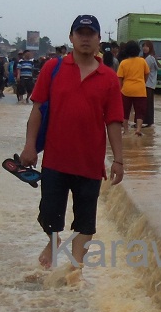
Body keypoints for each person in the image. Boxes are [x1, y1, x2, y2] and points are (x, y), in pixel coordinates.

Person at [19, 14, 124, 269]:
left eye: (91, 34)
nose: (85, 38)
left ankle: (75, 269)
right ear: (71, 38)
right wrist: (30, 146)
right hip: (55, 160)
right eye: (80, 33)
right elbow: (37, 110)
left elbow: (113, 122)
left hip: (89, 165)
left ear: (100, 39)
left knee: (86, 222)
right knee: (49, 215)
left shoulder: (109, 78)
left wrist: (119, 161)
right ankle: (53, 241)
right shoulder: (52, 69)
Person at [116, 40, 150, 135]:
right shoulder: (142, 61)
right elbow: (147, 74)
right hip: (140, 90)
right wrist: (142, 82)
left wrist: (120, 90)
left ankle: (126, 130)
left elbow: (119, 79)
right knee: (140, 111)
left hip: (126, 90)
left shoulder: (123, 63)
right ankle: (138, 129)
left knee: (125, 111)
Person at [142, 40, 159, 128]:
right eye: (143, 46)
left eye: (146, 46)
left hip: (147, 84)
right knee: (149, 103)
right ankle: (149, 122)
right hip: (151, 84)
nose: (144, 48)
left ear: (150, 48)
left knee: (146, 103)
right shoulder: (152, 57)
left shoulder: (148, 59)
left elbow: (144, 71)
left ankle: (146, 121)